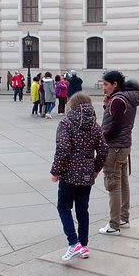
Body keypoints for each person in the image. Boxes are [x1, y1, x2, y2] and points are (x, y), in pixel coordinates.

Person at [51, 92, 109, 261]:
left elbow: (62, 149)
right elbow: (104, 149)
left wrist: (56, 171)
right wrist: (96, 168)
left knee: (63, 207)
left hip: (69, 174)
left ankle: (73, 242)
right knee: (82, 209)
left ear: (72, 105)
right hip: (86, 175)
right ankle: (83, 246)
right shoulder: (95, 125)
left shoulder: (66, 123)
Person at [98, 71, 139, 235]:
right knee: (123, 182)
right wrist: (106, 105)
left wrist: (101, 139)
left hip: (114, 147)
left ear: (115, 84)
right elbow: (118, 120)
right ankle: (123, 218)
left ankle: (114, 224)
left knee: (113, 185)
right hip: (124, 146)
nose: (104, 88)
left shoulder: (118, 100)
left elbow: (114, 127)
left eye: (106, 84)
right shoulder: (127, 97)